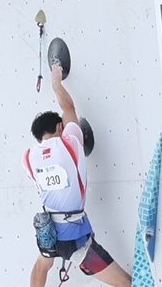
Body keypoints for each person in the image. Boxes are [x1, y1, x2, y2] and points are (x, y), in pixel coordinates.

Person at [26, 60, 131, 287]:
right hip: (74, 239)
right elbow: (68, 109)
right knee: (125, 283)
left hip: (49, 235)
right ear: (60, 128)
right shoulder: (70, 143)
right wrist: (56, 83)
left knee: (42, 264)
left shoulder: (29, 158)